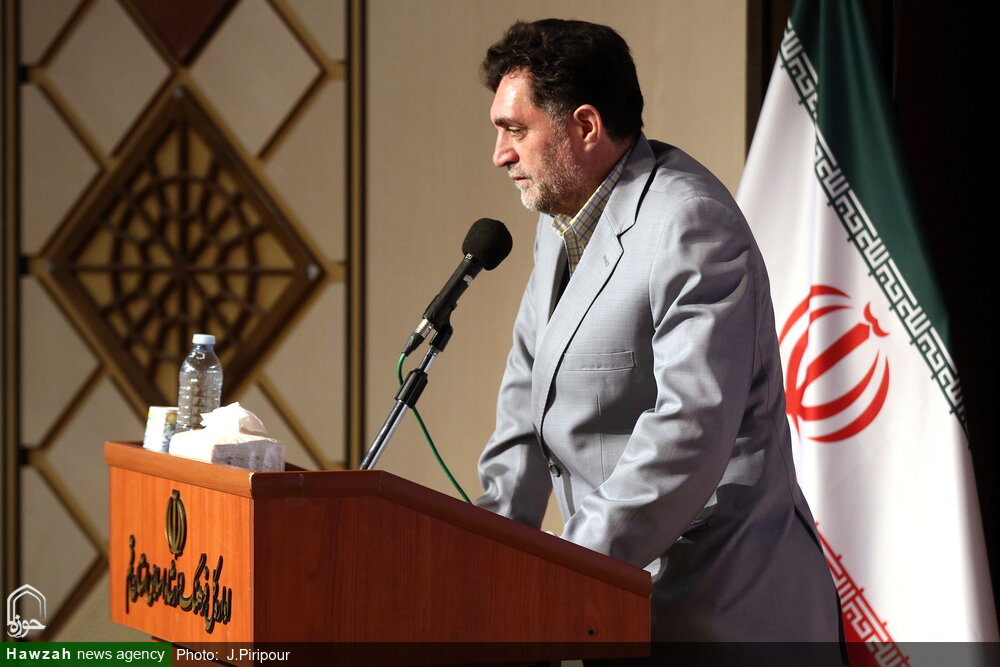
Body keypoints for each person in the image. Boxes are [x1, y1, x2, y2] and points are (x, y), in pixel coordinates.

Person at [475, 18, 844, 654]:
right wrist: (478, 567)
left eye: (515, 130)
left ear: (585, 126)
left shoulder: (691, 223)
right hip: (619, 602)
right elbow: (523, 414)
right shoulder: (559, 224)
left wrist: (560, 572)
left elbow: (687, 431)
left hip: (726, 613)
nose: (500, 154)